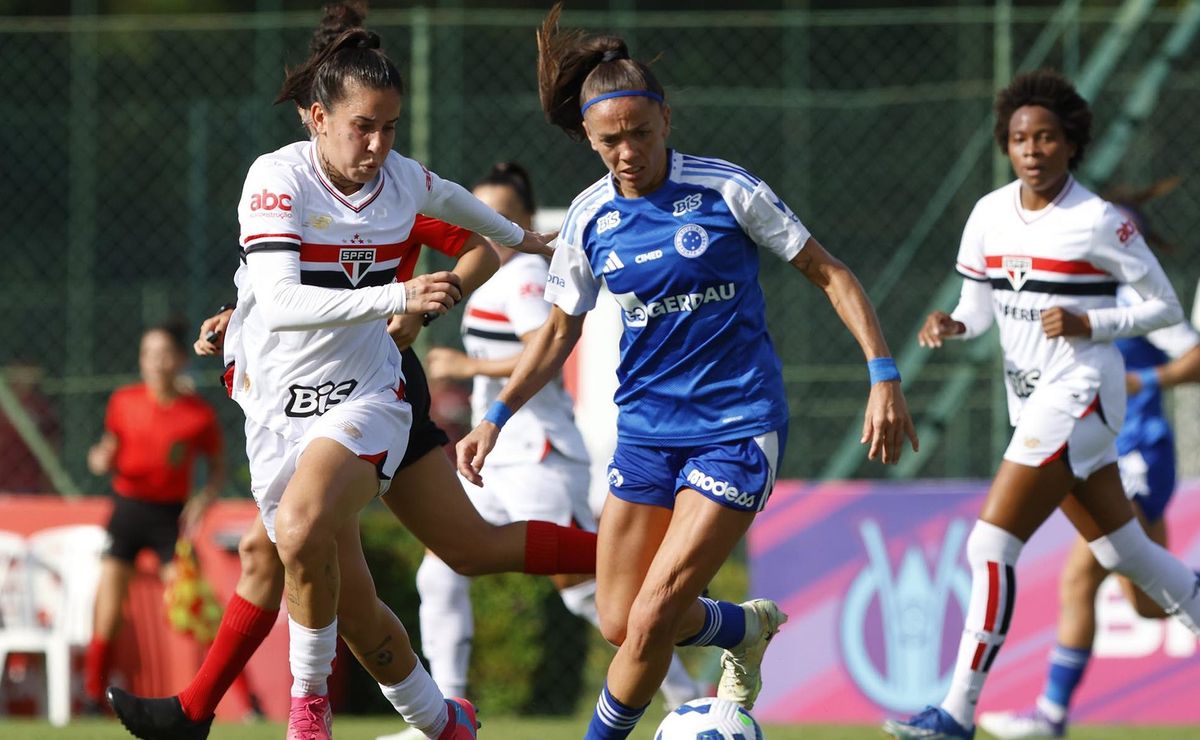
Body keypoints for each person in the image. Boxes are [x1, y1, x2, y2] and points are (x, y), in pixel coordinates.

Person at [108, 9, 597, 740]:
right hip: (279, 401)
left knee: (294, 535)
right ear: (317, 118)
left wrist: (494, 263)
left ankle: (287, 718)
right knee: (384, 583)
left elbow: (478, 233)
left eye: (391, 127)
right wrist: (236, 318)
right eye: (364, 126)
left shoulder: (398, 184)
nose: (378, 144)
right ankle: (442, 723)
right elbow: (274, 290)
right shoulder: (279, 180)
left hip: (371, 390)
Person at [455, 7, 918, 738]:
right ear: (588, 138)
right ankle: (740, 629)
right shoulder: (587, 219)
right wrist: (494, 417)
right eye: (611, 140)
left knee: (650, 618)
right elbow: (557, 333)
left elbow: (828, 272)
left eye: (641, 132)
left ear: (666, 120)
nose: (628, 151)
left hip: (736, 428)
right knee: (617, 618)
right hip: (645, 435)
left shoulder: (728, 190)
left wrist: (883, 374)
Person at [883, 70, 1200, 740]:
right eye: (1021, 138)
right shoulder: (989, 214)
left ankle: (955, 714)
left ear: (1070, 144)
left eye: (1047, 137)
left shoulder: (1100, 223)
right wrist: (952, 325)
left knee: (990, 544)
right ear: (1007, 145)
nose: (1033, 149)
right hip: (1032, 406)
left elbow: (1166, 309)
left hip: (1082, 398)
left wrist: (1094, 326)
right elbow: (976, 307)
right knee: (1130, 556)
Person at [407, 163, 700, 728]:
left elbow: (545, 348)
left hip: (539, 454)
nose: (489, 225)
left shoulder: (519, 280)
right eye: (481, 213)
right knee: (439, 568)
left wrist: (466, 365)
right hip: (497, 459)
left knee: (589, 590)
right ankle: (444, 712)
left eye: (501, 215)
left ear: (523, 221)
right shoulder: (494, 277)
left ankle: (686, 689)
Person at [977, 187, 1200, 739]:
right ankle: (1050, 717)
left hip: (1140, 452)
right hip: (1096, 450)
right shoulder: (1070, 289)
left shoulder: (1133, 293)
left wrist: (1144, 380)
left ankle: (1050, 717)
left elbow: (1195, 356)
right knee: (1147, 603)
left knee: (1080, 573)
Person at [84, 322, 225, 711]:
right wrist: (101, 457)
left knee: (194, 605)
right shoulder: (123, 401)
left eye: (164, 353)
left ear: (180, 359)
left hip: (168, 519)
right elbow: (109, 448)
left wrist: (202, 500)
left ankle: (242, 699)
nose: (156, 362)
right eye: (148, 353)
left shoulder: (196, 414)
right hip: (127, 511)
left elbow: (216, 468)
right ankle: (93, 698)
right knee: (109, 609)